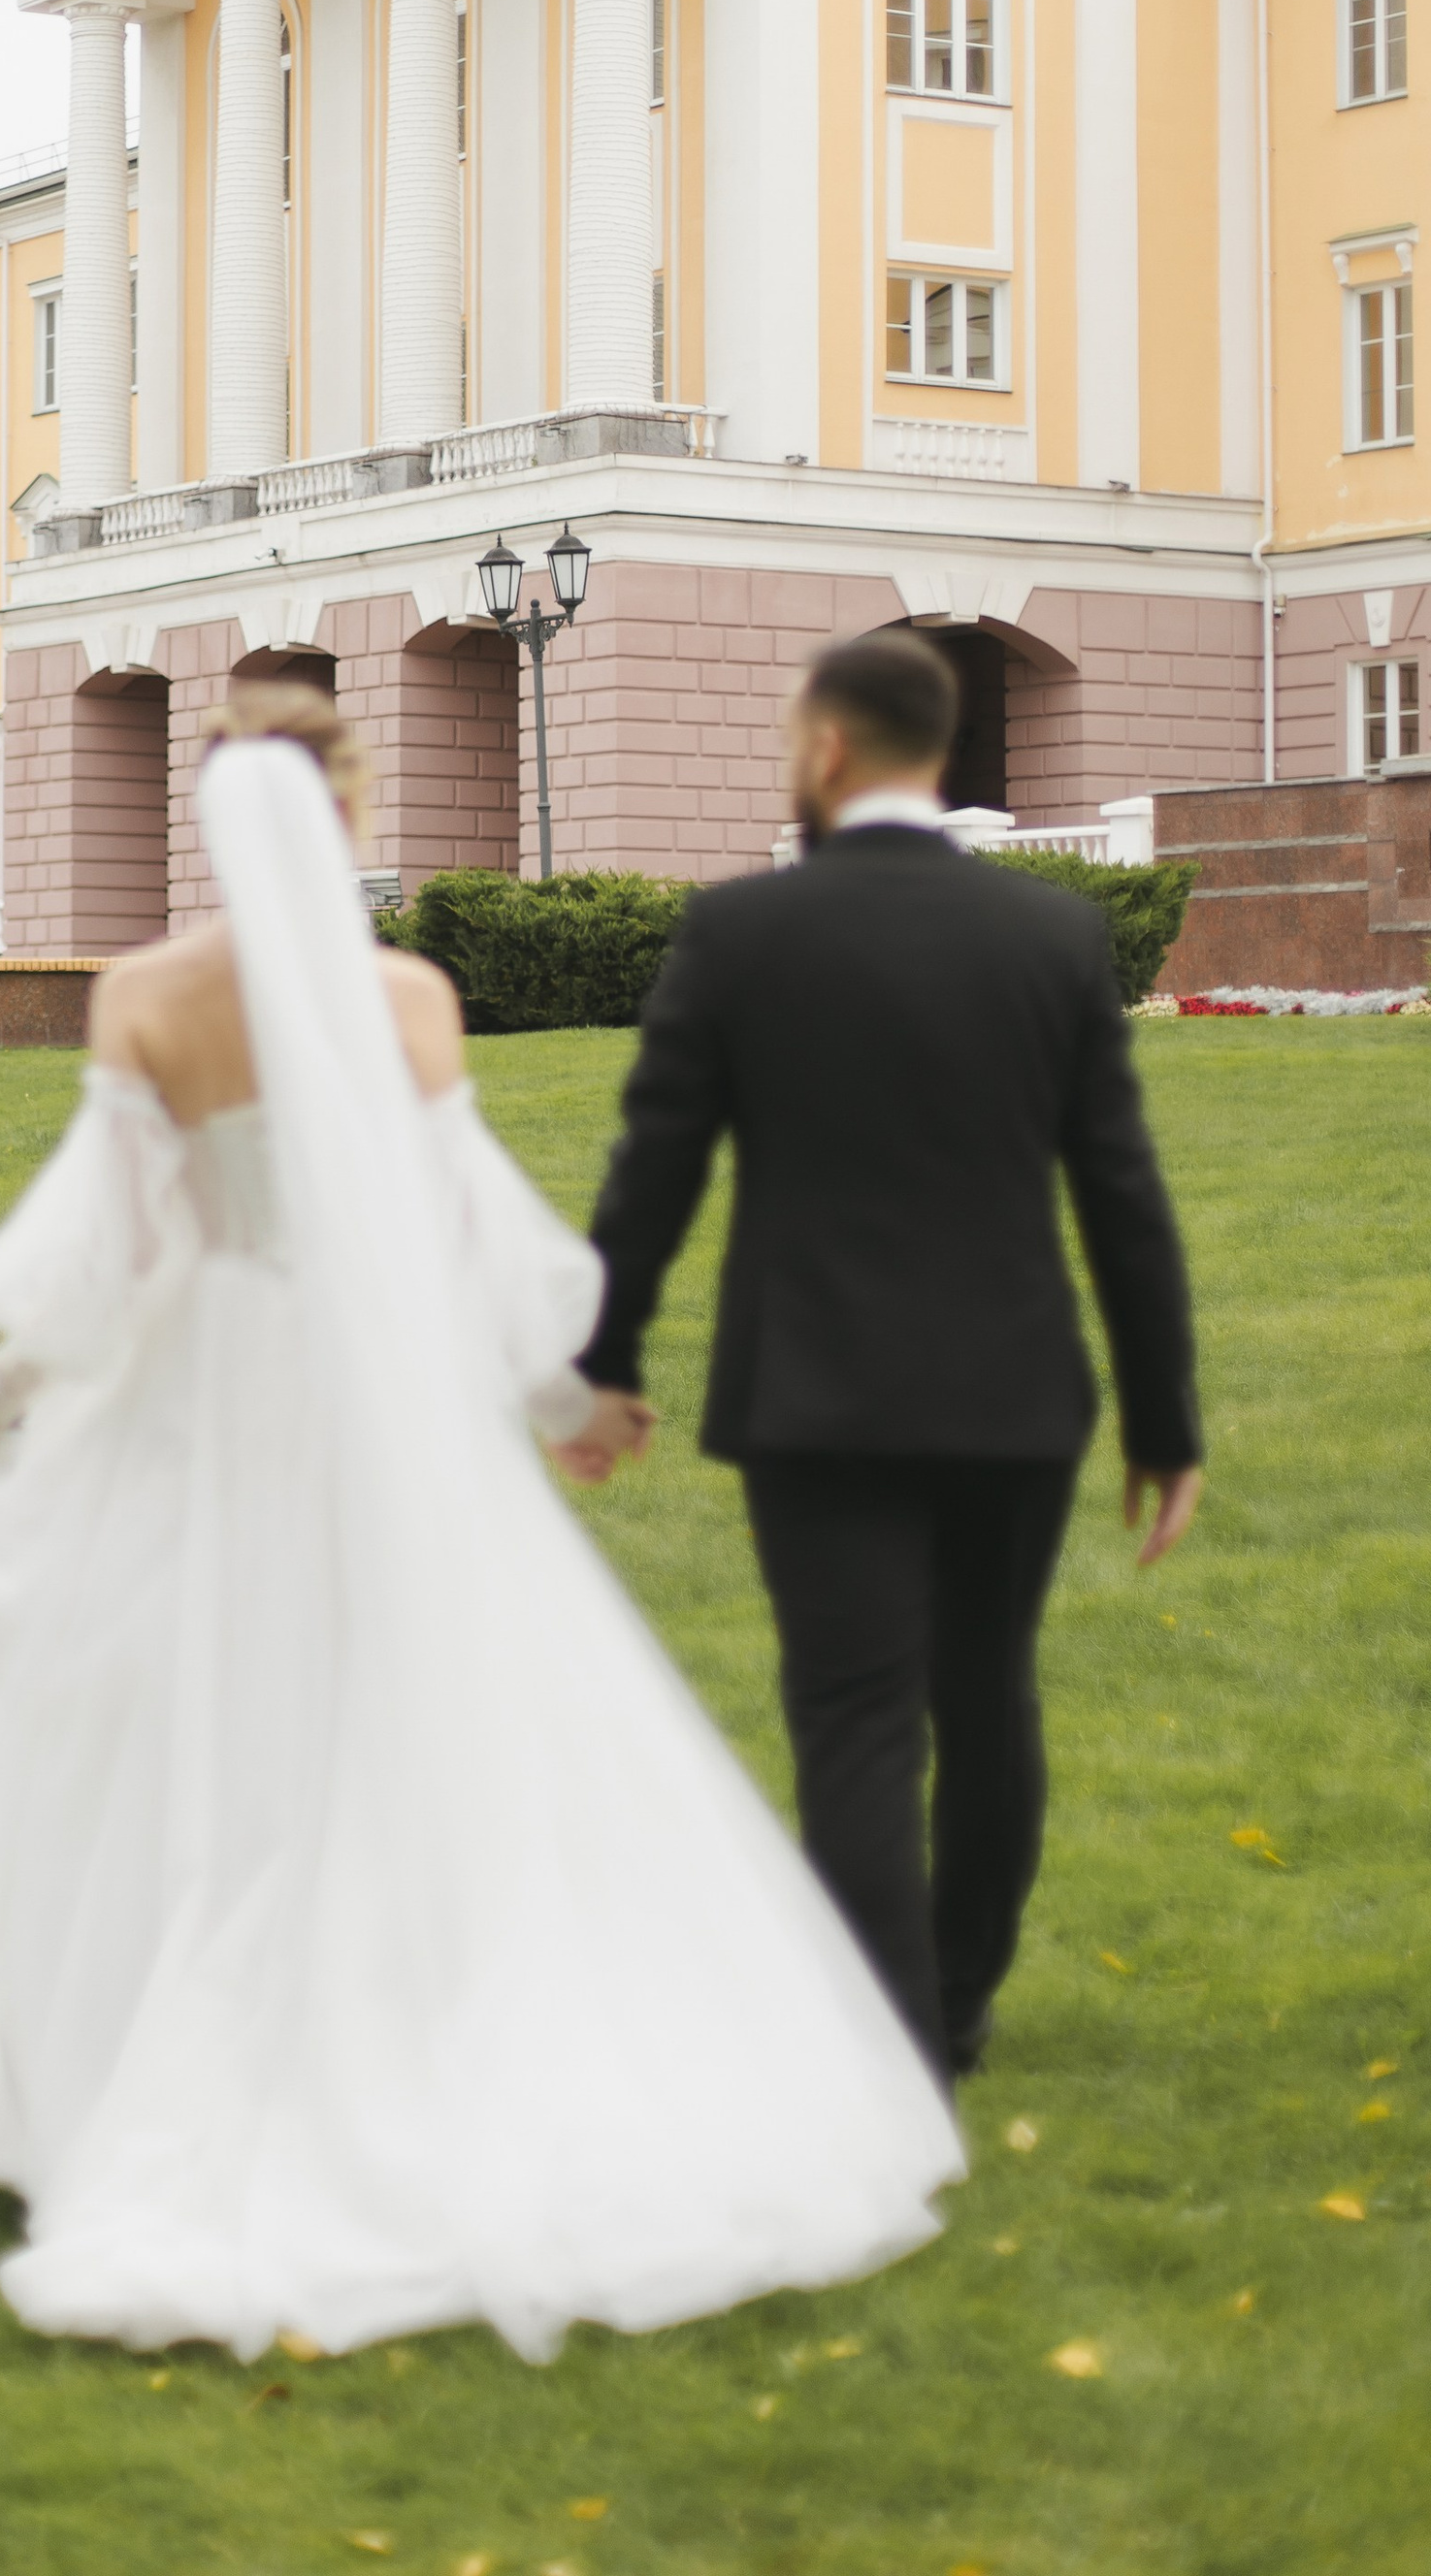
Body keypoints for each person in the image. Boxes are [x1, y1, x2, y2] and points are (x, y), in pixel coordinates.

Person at [0, 685, 962, 2366]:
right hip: (381, 1398)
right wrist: (560, 1400)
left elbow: (114, 1258)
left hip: (206, 1396)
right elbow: (462, 1236)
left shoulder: (144, 997)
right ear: (348, 811)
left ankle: (170, 2064)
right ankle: (424, 2024)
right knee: (412, 1696)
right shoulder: (407, 997)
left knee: (194, 1712)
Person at [581, 628, 1204, 2085]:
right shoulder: (1052, 937)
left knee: (855, 1716)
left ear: (829, 748)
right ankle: (957, 2003)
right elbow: (1121, 1191)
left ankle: (889, 2041)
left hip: (816, 1392)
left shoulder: (739, 933)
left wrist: (603, 1360)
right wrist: (1164, 1420)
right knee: (989, 1696)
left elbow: (654, 1170)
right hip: (1012, 1389)